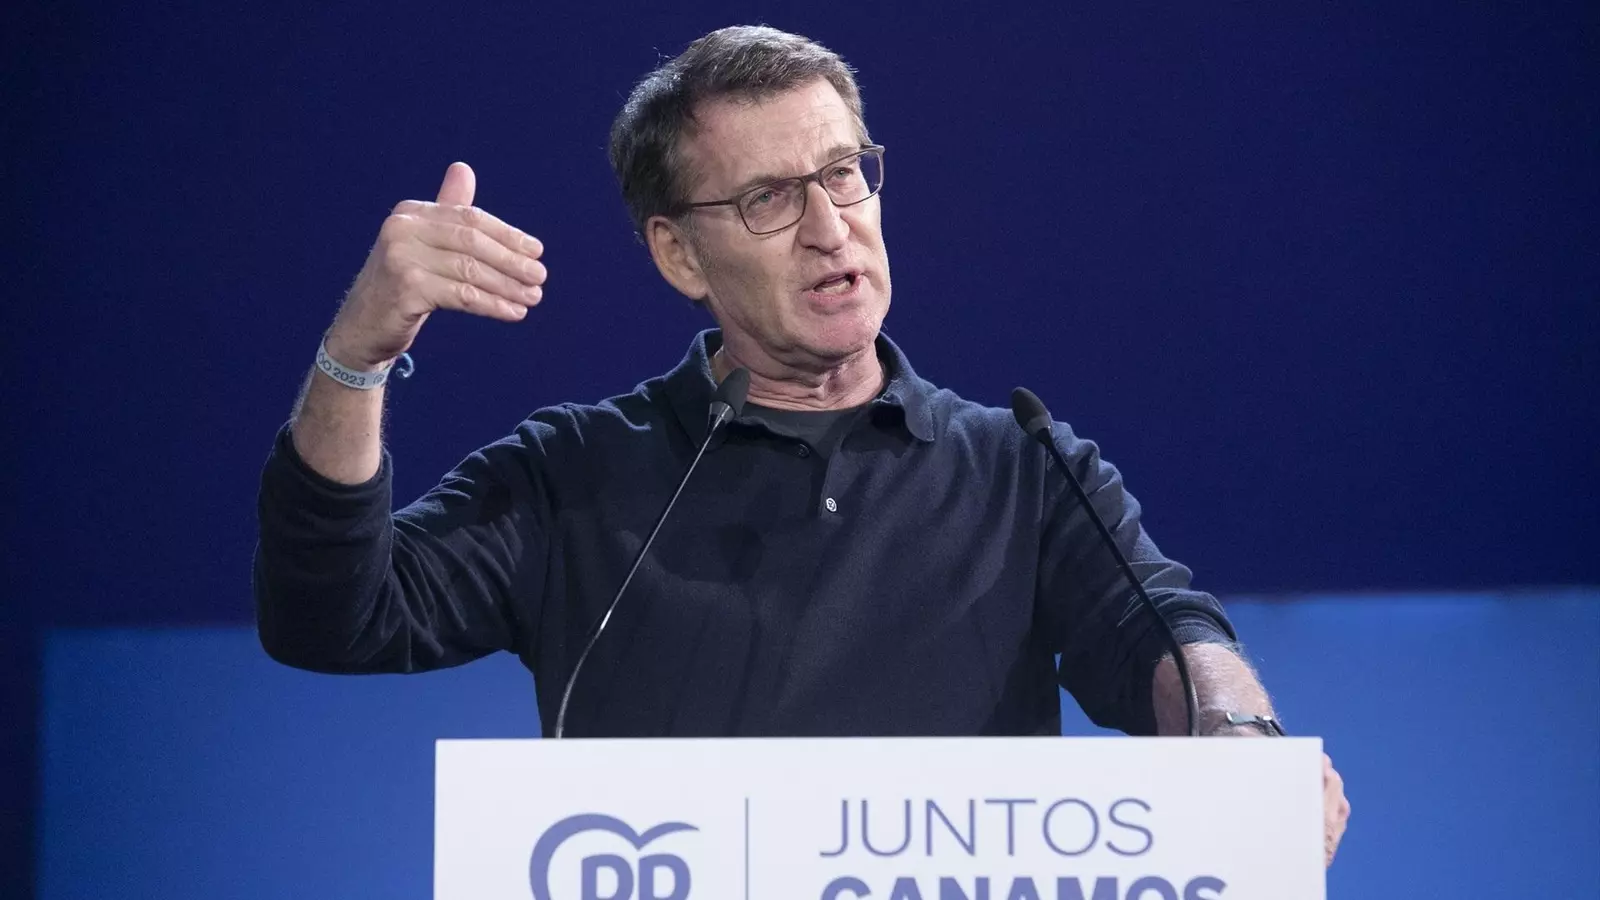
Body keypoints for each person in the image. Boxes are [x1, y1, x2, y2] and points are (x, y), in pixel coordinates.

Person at [253, 25, 1349, 865]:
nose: (830, 227)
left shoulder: (1021, 466)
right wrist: (358, 354)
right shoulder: (573, 475)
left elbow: (1156, 627)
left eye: (844, 172)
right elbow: (332, 615)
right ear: (679, 255)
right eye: (770, 199)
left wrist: (1237, 734)